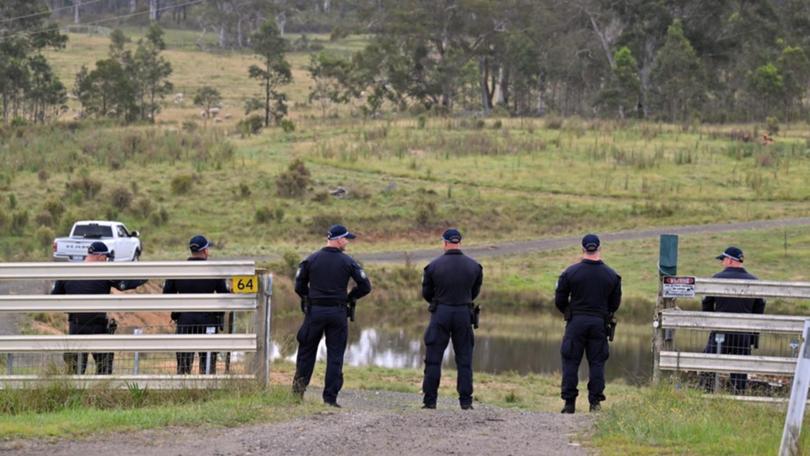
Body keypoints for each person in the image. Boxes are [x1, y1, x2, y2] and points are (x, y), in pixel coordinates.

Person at [292, 224, 372, 407]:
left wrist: (308, 297)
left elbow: (299, 286)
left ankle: (297, 394)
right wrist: (350, 297)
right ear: (337, 239)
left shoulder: (311, 260)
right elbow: (365, 287)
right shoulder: (348, 262)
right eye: (346, 239)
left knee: (306, 353)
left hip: (315, 312)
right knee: (335, 355)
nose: (347, 242)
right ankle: (330, 399)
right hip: (338, 312)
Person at [52, 241, 146, 375]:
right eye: (106, 258)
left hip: (76, 325)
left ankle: (72, 394)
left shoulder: (68, 272)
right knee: (104, 368)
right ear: (100, 256)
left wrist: (73, 307)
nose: (106, 261)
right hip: (98, 326)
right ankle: (101, 393)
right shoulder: (104, 273)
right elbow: (124, 284)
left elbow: (55, 298)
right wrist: (144, 276)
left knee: (74, 371)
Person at [555, 234, 621, 414]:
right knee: (597, 363)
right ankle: (595, 404)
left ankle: (569, 404)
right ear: (599, 248)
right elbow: (614, 305)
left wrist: (569, 313)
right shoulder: (612, 276)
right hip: (599, 323)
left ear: (583, 249)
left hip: (576, 322)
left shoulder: (570, 273)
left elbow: (560, 300)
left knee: (570, 362)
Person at [421, 228, 483, 410]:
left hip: (441, 312)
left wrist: (440, 301)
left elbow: (426, 293)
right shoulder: (474, 266)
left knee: (433, 358)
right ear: (459, 242)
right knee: (464, 359)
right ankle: (466, 401)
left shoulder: (432, 266)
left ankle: (430, 401)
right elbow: (475, 292)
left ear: (445, 242)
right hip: (463, 313)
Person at [700, 246, 765, 393]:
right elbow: (759, 308)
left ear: (730, 260)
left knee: (709, 364)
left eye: (723, 259)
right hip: (743, 333)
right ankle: (738, 395)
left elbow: (707, 302)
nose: (722, 262)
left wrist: (711, 323)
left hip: (719, 332)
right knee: (740, 369)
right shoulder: (754, 281)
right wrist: (753, 336)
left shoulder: (717, 279)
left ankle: (707, 393)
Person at [164, 235, 229, 375]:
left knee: (184, 363)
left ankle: (182, 390)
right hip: (209, 321)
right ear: (205, 251)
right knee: (208, 363)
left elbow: (167, 293)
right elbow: (224, 294)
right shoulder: (214, 271)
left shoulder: (177, 270)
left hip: (185, 320)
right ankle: (207, 391)